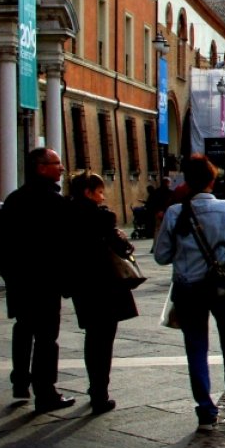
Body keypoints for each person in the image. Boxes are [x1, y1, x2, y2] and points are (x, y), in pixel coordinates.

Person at [153, 154, 225, 432]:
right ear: (212, 180)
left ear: (187, 181)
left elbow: (161, 256)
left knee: (196, 349)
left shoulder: (174, 213)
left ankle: (206, 411)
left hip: (188, 290)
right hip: (223, 288)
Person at [0, 148, 76, 411]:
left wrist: (8, 274)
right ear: (41, 167)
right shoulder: (53, 201)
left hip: (19, 279)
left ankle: (20, 382)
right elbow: (64, 243)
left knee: (23, 328)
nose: (61, 168)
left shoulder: (14, 199)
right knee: (46, 337)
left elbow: (5, 243)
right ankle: (45, 392)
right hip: (45, 280)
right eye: (57, 163)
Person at [66, 171, 138, 414]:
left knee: (92, 337)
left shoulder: (65, 215)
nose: (102, 196)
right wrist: (124, 240)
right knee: (104, 340)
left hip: (81, 284)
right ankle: (99, 393)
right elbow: (122, 248)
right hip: (106, 284)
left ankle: (95, 388)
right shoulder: (103, 217)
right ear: (88, 192)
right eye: (99, 192)